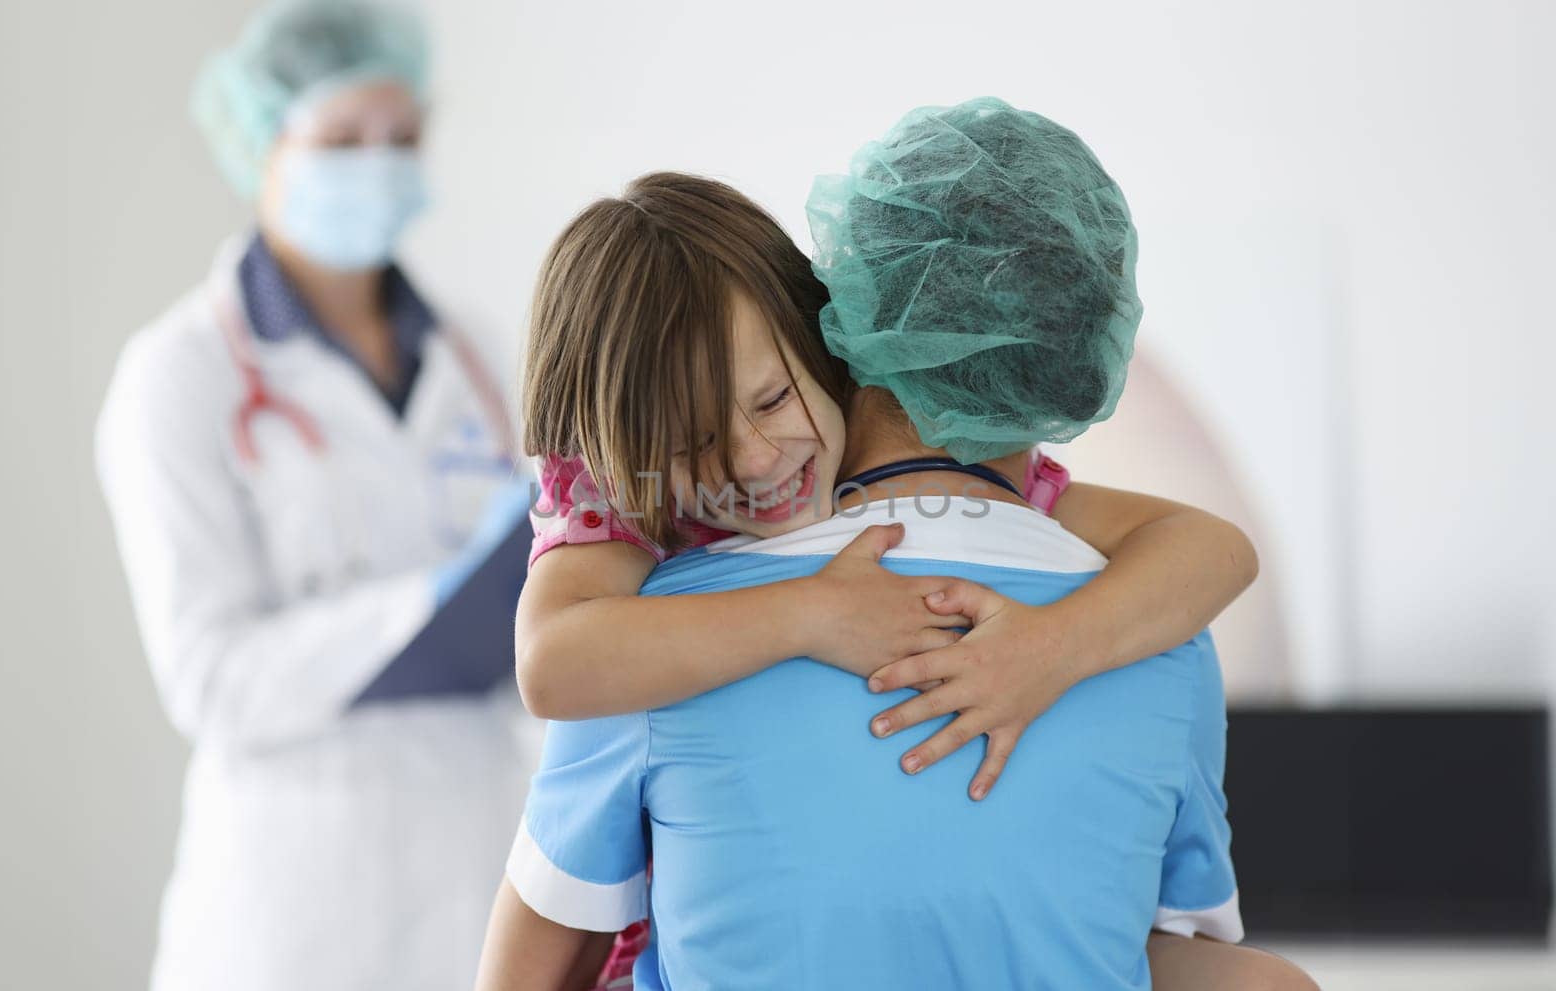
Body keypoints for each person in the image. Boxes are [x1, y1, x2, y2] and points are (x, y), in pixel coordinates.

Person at [479, 101, 1313, 987]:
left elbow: (1213, 545)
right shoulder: (1165, 644)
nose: (754, 462)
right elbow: (555, 661)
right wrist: (810, 613)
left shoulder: (659, 638)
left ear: (833, 329)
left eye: (770, 401)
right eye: (692, 443)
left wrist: (1046, 649)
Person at [94, 3, 537, 989]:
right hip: (295, 906)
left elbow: (535, 615)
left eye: (402, 138)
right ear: (261, 145)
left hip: (475, 864)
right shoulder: (182, 372)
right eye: (340, 140)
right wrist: (426, 611)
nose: (376, 164)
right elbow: (209, 675)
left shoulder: (471, 350)